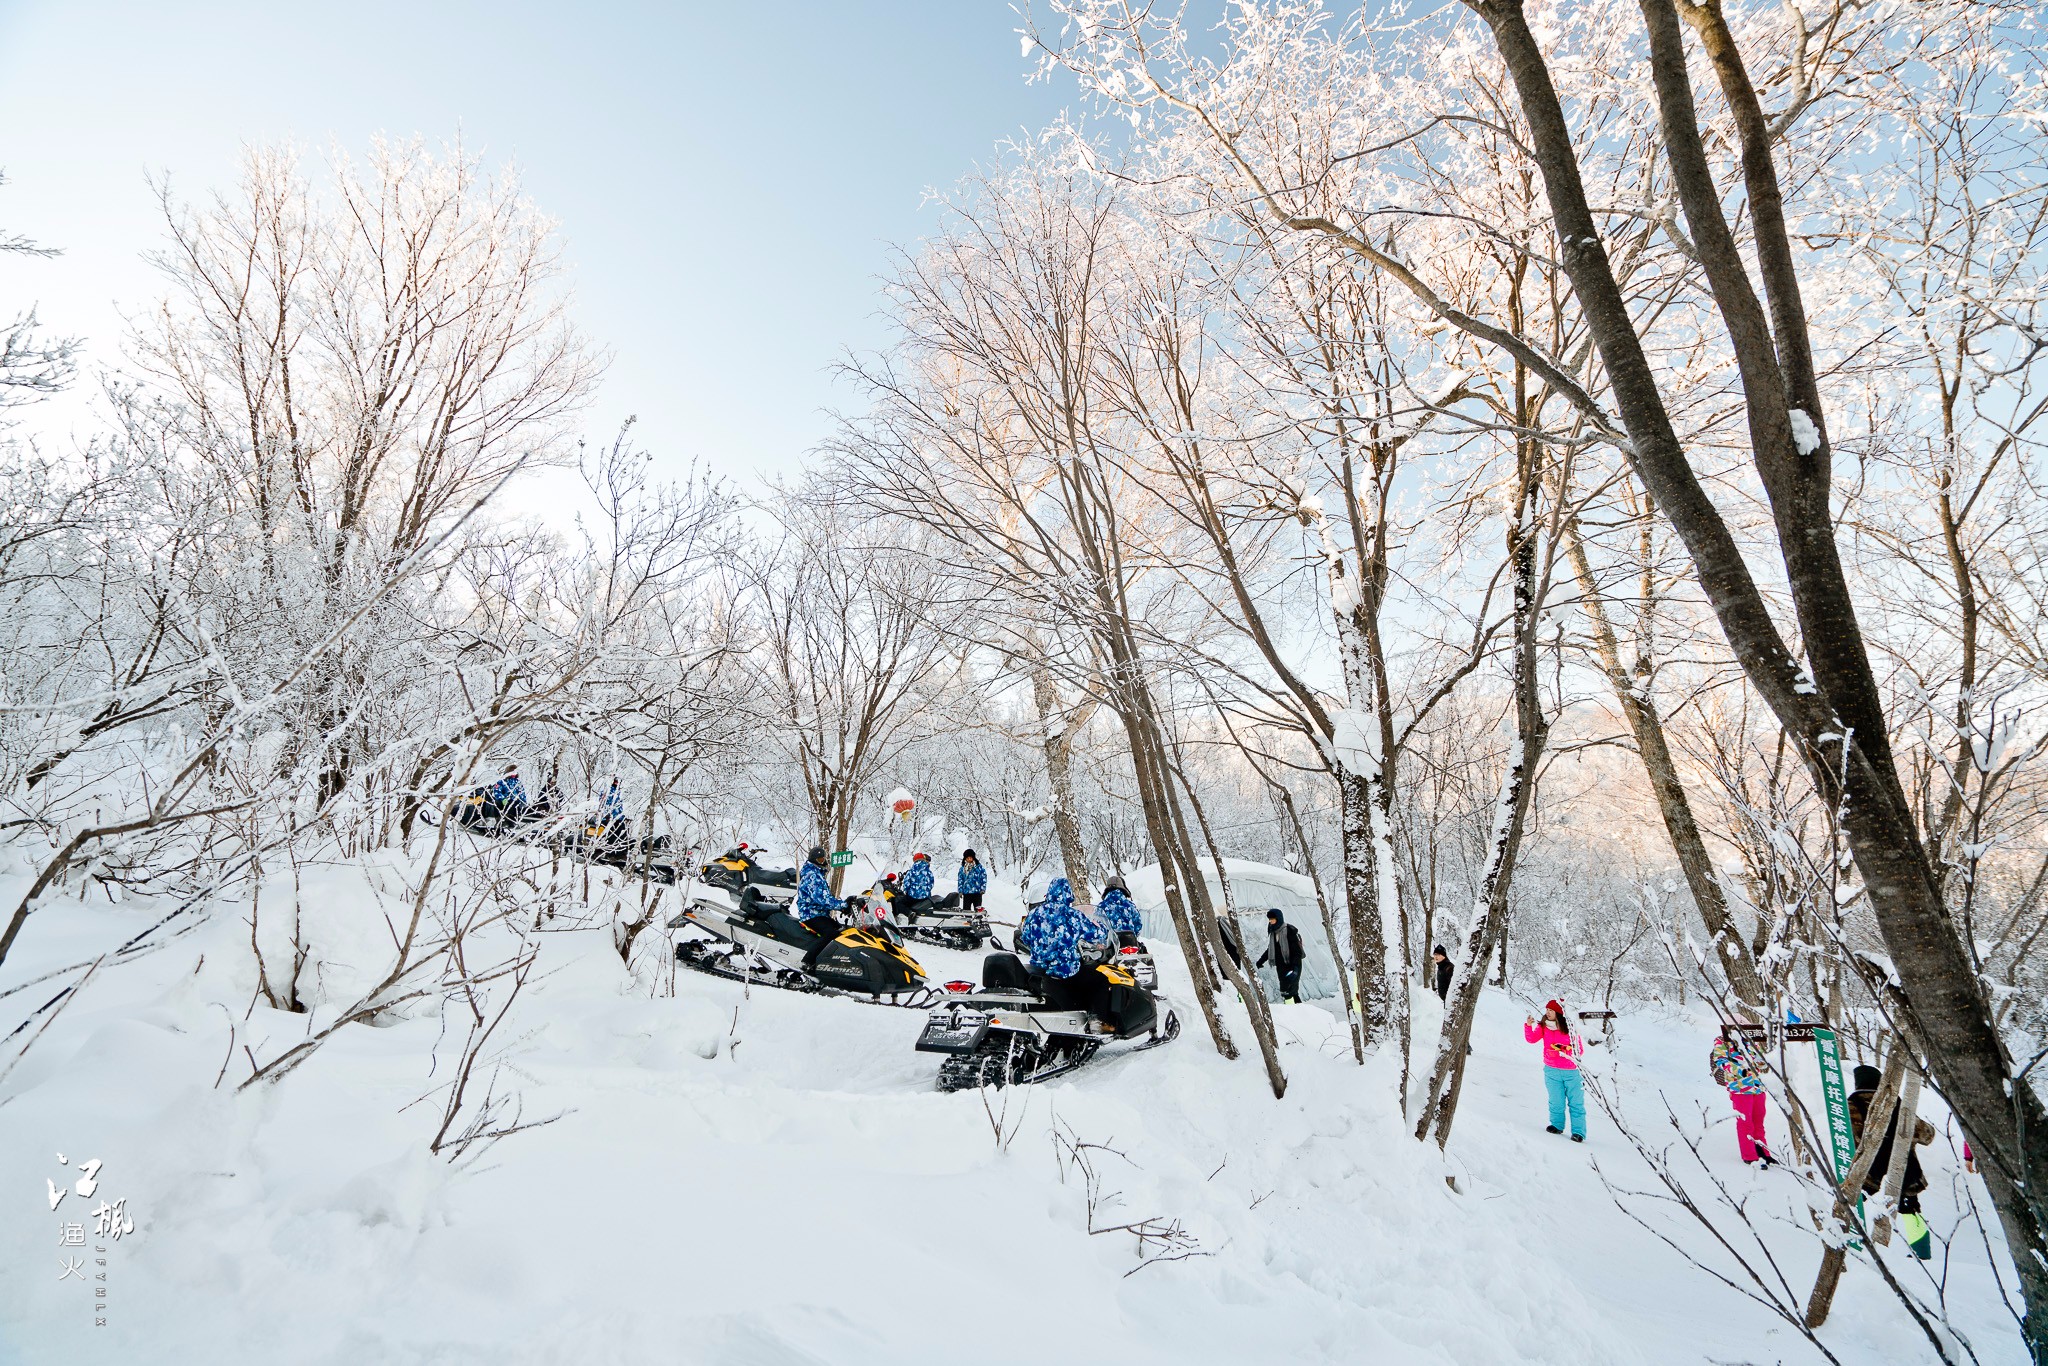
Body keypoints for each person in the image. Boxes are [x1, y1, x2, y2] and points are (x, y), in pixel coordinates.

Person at [1848, 1063, 1937, 1258]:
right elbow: (1927, 1135)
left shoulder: (1850, 1106)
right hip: (1903, 1167)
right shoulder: (1897, 1105)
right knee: (1910, 1207)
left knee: (1853, 1202)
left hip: (1867, 1170)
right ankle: (1922, 1252)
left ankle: (1850, 1246)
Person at [1016, 876, 1108, 1011]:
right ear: (1068, 895)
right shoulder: (1072, 915)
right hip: (1064, 971)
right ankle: (1097, 1019)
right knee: (1100, 980)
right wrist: (1101, 926)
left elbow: (1025, 938)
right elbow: (1096, 934)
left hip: (1039, 970)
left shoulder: (1034, 914)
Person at [1709, 1033, 1775, 1167]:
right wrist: (1740, 1071)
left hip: (1757, 1086)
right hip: (1739, 1087)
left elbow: (1760, 1061)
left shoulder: (1749, 1040)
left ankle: (1763, 1153)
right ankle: (1750, 1155)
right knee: (1745, 1122)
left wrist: (1762, 1061)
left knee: (1758, 1121)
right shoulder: (1722, 1041)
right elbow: (1720, 1060)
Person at [1525, 1000, 1586, 1141]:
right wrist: (1528, 1026)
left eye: (1551, 1010)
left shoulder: (1570, 1028)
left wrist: (1563, 1049)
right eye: (1547, 1009)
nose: (1548, 1012)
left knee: (1576, 1103)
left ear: (1559, 1013)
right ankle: (1556, 1125)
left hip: (1571, 1072)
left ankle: (1578, 1132)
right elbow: (1532, 1039)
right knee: (1555, 1101)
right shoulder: (1543, 1026)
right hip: (1551, 1070)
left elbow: (1579, 1050)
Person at [794, 846, 849, 938]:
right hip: (810, 914)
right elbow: (823, 899)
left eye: (823, 859)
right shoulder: (812, 876)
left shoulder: (816, 873)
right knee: (831, 934)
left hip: (819, 914)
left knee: (841, 931)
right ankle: (812, 953)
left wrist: (848, 902)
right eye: (820, 860)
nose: (822, 862)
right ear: (813, 860)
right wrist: (843, 906)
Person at [1256, 908, 1306, 1003]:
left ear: (1278, 918)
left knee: (1289, 991)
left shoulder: (1289, 930)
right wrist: (1261, 961)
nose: (1270, 921)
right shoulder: (1274, 933)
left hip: (1292, 965)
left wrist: (1295, 967)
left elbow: (1297, 951)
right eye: (1269, 919)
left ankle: (1294, 1012)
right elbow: (1271, 949)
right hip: (1281, 966)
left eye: (1272, 919)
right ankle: (1297, 1011)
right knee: (1287, 991)